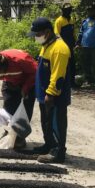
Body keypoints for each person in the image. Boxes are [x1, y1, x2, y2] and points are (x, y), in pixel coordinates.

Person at [27, 17, 71, 163]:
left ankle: (58, 151)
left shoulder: (60, 49)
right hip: (44, 93)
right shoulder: (47, 45)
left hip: (55, 96)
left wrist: (51, 93)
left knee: (55, 121)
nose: (36, 37)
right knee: (45, 120)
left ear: (47, 32)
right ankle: (49, 145)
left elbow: (58, 75)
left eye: (37, 34)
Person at [0, 50, 37, 149]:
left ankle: (20, 137)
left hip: (28, 83)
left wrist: (25, 88)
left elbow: (35, 72)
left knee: (24, 112)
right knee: (8, 110)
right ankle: (9, 133)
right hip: (9, 83)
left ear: (4, 65)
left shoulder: (21, 60)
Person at [75, 3, 95, 87]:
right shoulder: (85, 21)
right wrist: (78, 43)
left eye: (91, 10)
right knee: (85, 64)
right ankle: (89, 81)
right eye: (88, 10)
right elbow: (81, 33)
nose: (90, 12)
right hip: (85, 46)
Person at [54, 2, 77, 87]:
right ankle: (64, 83)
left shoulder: (71, 20)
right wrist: (62, 45)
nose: (67, 11)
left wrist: (76, 42)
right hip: (63, 47)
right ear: (63, 10)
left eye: (69, 10)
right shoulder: (59, 20)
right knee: (63, 65)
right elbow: (56, 33)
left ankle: (72, 82)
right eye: (66, 10)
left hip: (70, 46)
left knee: (72, 64)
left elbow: (73, 32)